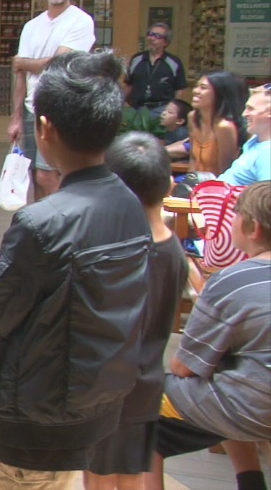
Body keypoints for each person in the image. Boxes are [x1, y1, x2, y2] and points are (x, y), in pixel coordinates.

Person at [0, 51, 152, 490]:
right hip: (97, 402)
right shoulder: (129, 204)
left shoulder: (43, 222)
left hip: (35, 414)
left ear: (46, 128)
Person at [149, 181, 271, 490]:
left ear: (253, 227)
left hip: (251, 408)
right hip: (253, 397)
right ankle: (251, 481)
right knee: (227, 372)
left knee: (139, 412)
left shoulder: (234, 280)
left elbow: (184, 367)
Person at [84, 133, 188, 490]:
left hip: (102, 384)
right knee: (131, 474)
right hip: (146, 382)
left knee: (97, 475)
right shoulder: (175, 251)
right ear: (170, 184)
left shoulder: (114, 252)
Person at [8, 0, 96, 200]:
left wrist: (24, 62)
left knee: (50, 175)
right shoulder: (31, 26)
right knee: (34, 174)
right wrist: (16, 117)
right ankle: (42, 227)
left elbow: (59, 63)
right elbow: (20, 75)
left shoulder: (81, 21)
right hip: (30, 110)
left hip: (59, 109)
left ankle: (58, 227)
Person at [189, 70, 249, 177]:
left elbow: (226, 171)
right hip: (196, 184)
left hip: (218, 188)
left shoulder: (224, 127)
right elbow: (193, 159)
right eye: (196, 86)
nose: (195, 91)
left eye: (203, 88)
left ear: (220, 93)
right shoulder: (192, 117)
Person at [124, 24, 187, 115]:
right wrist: (123, 103)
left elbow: (179, 90)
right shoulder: (136, 59)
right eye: (150, 34)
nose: (152, 38)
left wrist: (174, 112)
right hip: (137, 108)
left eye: (157, 36)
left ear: (165, 42)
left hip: (161, 110)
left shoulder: (174, 62)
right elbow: (128, 84)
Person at [219, 83, 270, 185]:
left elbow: (266, 199)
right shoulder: (255, 141)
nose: (244, 114)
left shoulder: (268, 154)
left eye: (251, 109)